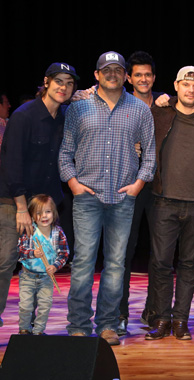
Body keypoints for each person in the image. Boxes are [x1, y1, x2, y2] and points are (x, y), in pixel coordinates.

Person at [59, 51, 156, 345]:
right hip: (86, 197)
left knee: (115, 264)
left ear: (124, 75)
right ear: (97, 75)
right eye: (107, 70)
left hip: (123, 198)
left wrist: (139, 183)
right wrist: (73, 183)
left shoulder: (139, 110)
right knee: (84, 262)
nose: (112, 74)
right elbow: (65, 153)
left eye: (117, 70)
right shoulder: (79, 108)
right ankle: (78, 324)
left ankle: (108, 324)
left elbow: (149, 155)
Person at [143, 66, 194, 341]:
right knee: (161, 263)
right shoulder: (160, 113)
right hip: (164, 200)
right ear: (175, 86)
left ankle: (181, 320)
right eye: (185, 84)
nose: (190, 90)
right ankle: (162, 319)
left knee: (189, 264)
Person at [0, 62, 78, 328]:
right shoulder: (24, 116)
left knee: (40, 265)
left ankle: (32, 329)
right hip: (15, 202)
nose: (64, 87)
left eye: (69, 83)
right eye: (59, 81)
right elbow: (11, 164)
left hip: (45, 205)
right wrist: (22, 207)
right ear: (46, 82)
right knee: (6, 261)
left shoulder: (66, 117)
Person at [119, 50, 163, 335]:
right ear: (128, 78)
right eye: (138, 75)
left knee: (161, 253)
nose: (144, 79)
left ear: (154, 77)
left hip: (160, 186)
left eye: (148, 74)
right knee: (123, 251)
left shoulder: (164, 104)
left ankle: (154, 310)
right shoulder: (119, 103)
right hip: (128, 185)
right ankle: (119, 312)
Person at [17, 194, 69, 335]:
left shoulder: (58, 233)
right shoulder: (30, 231)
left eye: (48, 211)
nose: (44, 216)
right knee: (25, 306)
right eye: (39, 213)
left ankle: (39, 331)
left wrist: (55, 266)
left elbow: (64, 254)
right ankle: (24, 330)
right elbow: (20, 251)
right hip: (28, 276)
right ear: (32, 216)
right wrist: (32, 253)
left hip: (46, 277)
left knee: (45, 306)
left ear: (54, 213)